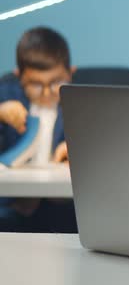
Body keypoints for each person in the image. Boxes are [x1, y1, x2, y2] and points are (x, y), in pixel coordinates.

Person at [0, 26, 76, 232]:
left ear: (71, 73)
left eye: (56, 82)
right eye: (35, 84)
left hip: (63, 207)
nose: (46, 93)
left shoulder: (82, 101)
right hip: (12, 205)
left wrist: (79, 147)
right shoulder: (6, 92)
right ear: (19, 77)